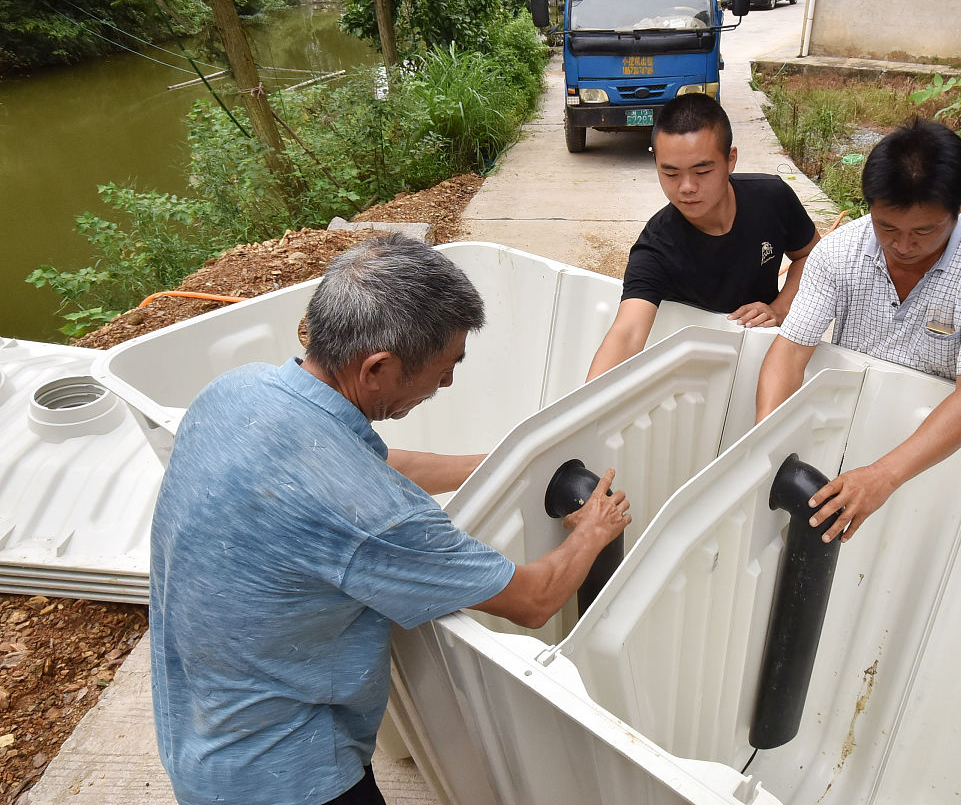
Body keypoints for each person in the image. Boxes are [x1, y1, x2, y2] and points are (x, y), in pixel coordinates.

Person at [149, 234, 632, 805]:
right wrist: (595, 530)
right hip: (294, 777)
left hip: (197, 732)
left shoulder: (236, 392)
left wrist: (501, 464)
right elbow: (533, 599)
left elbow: (375, 461)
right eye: (446, 365)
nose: (448, 382)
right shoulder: (378, 520)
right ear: (377, 368)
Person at [755, 118, 961, 543]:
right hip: (850, 431)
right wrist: (766, 443)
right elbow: (790, 353)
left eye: (924, 230)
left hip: (934, 453)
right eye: (886, 227)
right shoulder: (839, 251)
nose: (903, 245)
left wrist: (884, 475)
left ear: (958, 209)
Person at [586, 93, 820, 380]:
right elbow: (627, 333)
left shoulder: (772, 197)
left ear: (730, 159)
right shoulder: (657, 247)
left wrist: (779, 309)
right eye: (670, 174)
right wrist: (587, 412)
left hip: (761, 359)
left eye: (702, 171)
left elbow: (811, 256)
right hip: (692, 376)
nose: (686, 187)